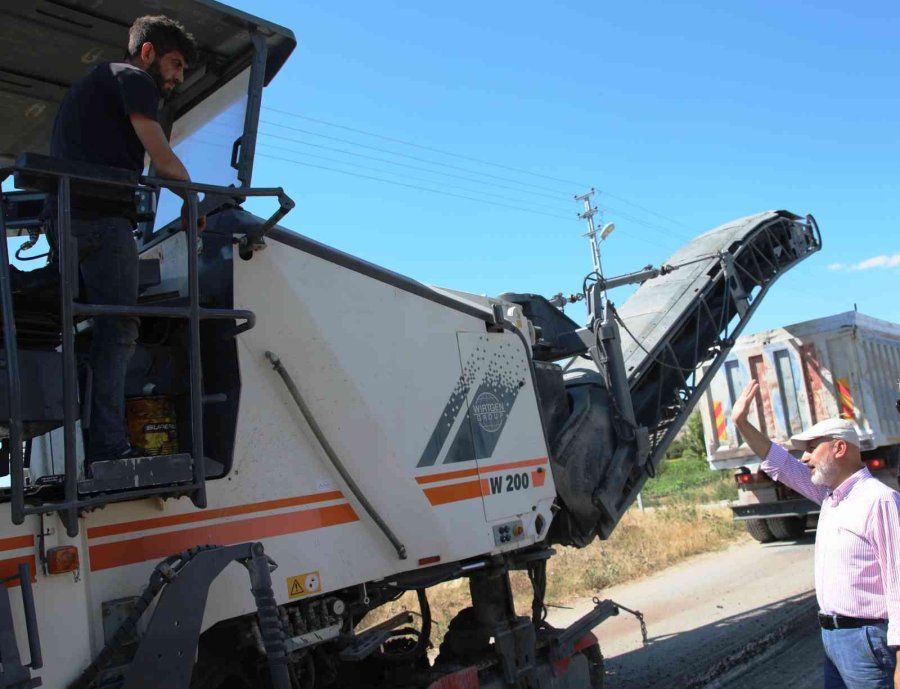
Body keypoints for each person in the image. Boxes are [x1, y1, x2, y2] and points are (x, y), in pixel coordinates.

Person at [47, 15, 205, 466]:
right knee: (119, 329)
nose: (177, 77)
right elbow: (160, 155)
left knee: (85, 328)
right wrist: (193, 200)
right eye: (175, 64)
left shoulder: (93, 86)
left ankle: (85, 444)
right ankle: (110, 446)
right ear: (147, 52)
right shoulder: (133, 78)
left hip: (65, 217)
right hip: (101, 218)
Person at [731, 380, 900, 689]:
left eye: (811, 449)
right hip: (833, 639)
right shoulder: (829, 496)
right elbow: (780, 464)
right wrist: (741, 423)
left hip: (867, 640)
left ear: (839, 448)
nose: (805, 457)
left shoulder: (879, 500)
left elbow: (898, 581)